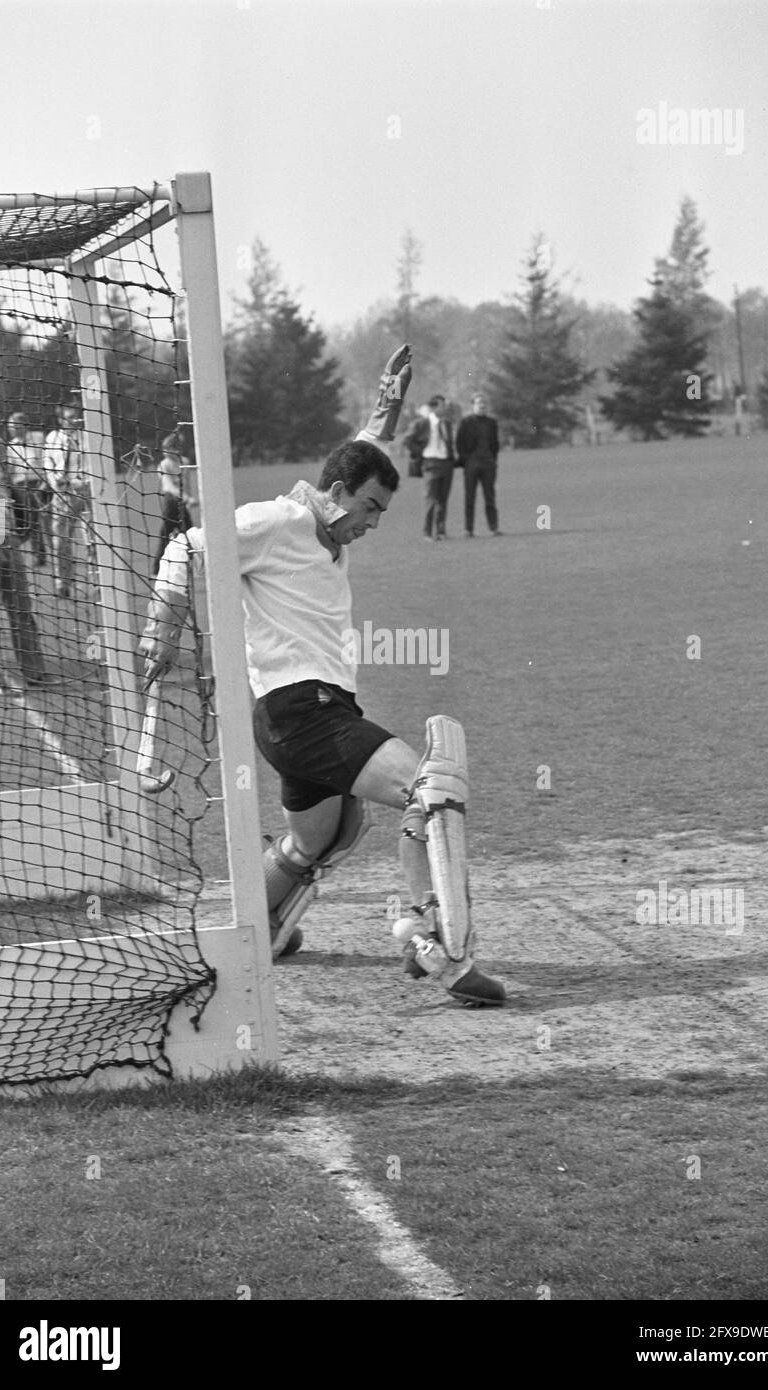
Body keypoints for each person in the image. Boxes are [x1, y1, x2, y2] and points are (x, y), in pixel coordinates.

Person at [140, 348, 505, 1008]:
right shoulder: (277, 521)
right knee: (432, 787)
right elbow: (183, 545)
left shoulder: (327, 514)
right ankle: (432, 944)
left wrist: (386, 405)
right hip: (302, 711)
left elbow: (361, 448)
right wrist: (160, 627)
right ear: (336, 494)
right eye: (368, 509)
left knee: (325, 836)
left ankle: (259, 933)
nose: (369, 524)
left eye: (381, 514)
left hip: (299, 717)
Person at [0, 405, 49, 694]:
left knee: (21, 607)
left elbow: (5, 491)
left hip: (7, 535)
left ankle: (34, 671)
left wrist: (22, 517)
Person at [44, 402, 91, 598]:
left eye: (74, 417)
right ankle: (62, 582)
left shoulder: (87, 437)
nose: (70, 421)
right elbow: (48, 464)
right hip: (62, 496)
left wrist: (79, 481)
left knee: (92, 540)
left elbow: (92, 465)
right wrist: (56, 482)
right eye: (66, 417)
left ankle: (98, 582)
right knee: (60, 541)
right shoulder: (53, 437)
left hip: (86, 494)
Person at [406, 394, 456, 540]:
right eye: (442, 405)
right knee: (430, 499)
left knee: (443, 499)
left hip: (446, 463)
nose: (445, 408)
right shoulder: (422, 423)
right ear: (434, 407)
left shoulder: (446, 423)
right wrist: (421, 452)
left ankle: (441, 531)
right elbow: (408, 440)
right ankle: (427, 532)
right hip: (431, 463)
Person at [456, 393, 502, 538]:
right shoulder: (466, 422)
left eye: (484, 403)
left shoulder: (491, 422)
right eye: (479, 403)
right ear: (473, 405)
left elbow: (495, 443)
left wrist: (493, 460)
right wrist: (466, 460)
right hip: (471, 465)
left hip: (488, 464)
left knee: (490, 497)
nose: (482, 405)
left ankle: (494, 527)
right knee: (470, 498)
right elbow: (459, 443)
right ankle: (468, 529)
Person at [7, 412, 48, 567]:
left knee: (45, 520)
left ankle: (51, 555)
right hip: (20, 487)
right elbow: (10, 470)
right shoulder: (11, 446)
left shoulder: (38, 438)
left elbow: (46, 460)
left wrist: (44, 483)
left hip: (39, 483)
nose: (13, 430)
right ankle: (39, 555)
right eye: (11, 427)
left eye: (16, 426)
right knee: (30, 522)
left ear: (24, 425)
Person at [152, 433, 195, 576]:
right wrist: (186, 498)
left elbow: (186, 485)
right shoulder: (164, 465)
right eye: (164, 449)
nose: (165, 452)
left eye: (168, 448)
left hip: (182, 503)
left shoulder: (185, 462)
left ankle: (194, 564)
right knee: (165, 534)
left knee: (190, 534)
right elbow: (169, 486)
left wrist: (188, 499)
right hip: (171, 503)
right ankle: (156, 569)